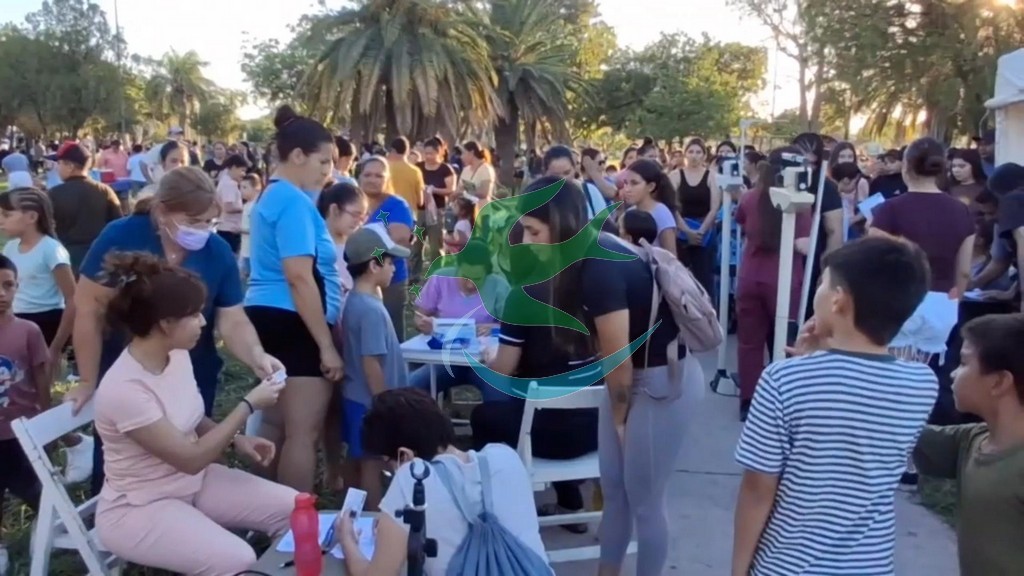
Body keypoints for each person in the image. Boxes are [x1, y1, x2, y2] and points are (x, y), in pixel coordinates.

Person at [64, 166, 283, 495]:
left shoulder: (216, 251)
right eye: (194, 221)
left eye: (209, 222)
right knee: (123, 462)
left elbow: (232, 319)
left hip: (192, 369)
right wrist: (87, 380)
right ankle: (119, 515)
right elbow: (88, 309)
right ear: (162, 211)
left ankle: (186, 512)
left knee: (191, 449)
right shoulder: (122, 236)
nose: (203, 230)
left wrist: (256, 356)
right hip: (126, 368)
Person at [732, 237, 937, 576]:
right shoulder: (923, 384)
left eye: (822, 284)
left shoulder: (784, 380)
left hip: (789, 566)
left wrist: (738, 570)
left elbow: (757, 490)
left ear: (838, 300)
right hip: (870, 565)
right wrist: (821, 356)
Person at [91, 252, 296, 576]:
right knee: (238, 559)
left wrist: (237, 440)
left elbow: (190, 418)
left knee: (295, 509)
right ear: (165, 324)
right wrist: (247, 406)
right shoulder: (125, 390)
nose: (203, 321)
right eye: (194, 314)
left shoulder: (176, 355)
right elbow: (190, 459)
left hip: (191, 483)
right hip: (140, 506)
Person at [334, 388, 551, 575]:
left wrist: (347, 540)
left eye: (387, 464)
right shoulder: (506, 457)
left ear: (405, 456)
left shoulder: (412, 477)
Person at [244, 105, 342, 493]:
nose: (328, 171)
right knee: (303, 432)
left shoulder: (272, 195)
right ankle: (293, 519)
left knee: (275, 423)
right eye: (323, 161)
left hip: (266, 314)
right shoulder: (294, 202)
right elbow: (299, 276)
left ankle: (262, 512)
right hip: (294, 319)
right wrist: (326, 345)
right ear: (298, 155)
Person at [913, 314, 1024, 575]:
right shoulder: (973, 439)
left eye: (963, 363)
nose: (953, 373)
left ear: (999, 382)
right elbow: (901, 434)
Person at [735, 150, 813, 421]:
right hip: (784, 279)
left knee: (749, 343)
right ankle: (782, 400)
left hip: (750, 277)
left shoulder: (750, 198)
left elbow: (742, 223)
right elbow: (804, 244)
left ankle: (749, 400)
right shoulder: (801, 203)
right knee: (785, 342)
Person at [340, 226, 411, 509]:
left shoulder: (356, 301)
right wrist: (384, 406)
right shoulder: (370, 310)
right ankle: (374, 516)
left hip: (355, 397)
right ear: (373, 265)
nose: (394, 267)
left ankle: (350, 508)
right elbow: (371, 362)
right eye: (390, 261)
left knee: (358, 456)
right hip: (369, 402)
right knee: (371, 463)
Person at [410, 239, 510, 402]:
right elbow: (419, 315)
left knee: (500, 397)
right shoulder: (440, 278)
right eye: (465, 277)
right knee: (411, 385)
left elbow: (513, 327)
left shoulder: (498, 285)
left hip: (483, 361)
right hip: (446, 358)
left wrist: (494, 327)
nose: (470, 285)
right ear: (457, 268)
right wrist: (423, 324)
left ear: (487, 273)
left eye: (477, 279)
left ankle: (487, 417)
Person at [0, 254, 50, 573]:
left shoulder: (28, 331)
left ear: (18, 286)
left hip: (22, 432)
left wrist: (47, 421)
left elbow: (42, 376)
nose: (1, 294)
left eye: (8, 285)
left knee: (33, 487)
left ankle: (47, 528)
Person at [47, 142, 123, 275]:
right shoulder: (105, 191)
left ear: (70, 166)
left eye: (59, 163)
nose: (57, 168)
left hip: (64, 259)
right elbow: (118, 225)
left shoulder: (54, 194)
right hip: (100, 259)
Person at [359, 156, 414, 338]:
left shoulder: (397, 205)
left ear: (387, 179)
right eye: (367, 175)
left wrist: (358, 243)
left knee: (390, 335)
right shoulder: (352, 202)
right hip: (355, 279)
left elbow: (399, 240)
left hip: (390, 280)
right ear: (359, 177)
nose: (372, 180)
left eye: (379, 176)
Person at [621, 159, 679, 255]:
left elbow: (671, 257)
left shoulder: (661, 214)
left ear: (651, 186)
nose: (627, 189)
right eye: (625, 183)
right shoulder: (629, 213)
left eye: (634, 183)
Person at [214, 154, 249, 255]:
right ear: (233, 167)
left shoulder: (225, 180)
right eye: (242, 170)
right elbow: (228, 207)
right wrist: (245, 208)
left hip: (227, 227)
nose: (243, 174)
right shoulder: (229, 184)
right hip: (229, 229)